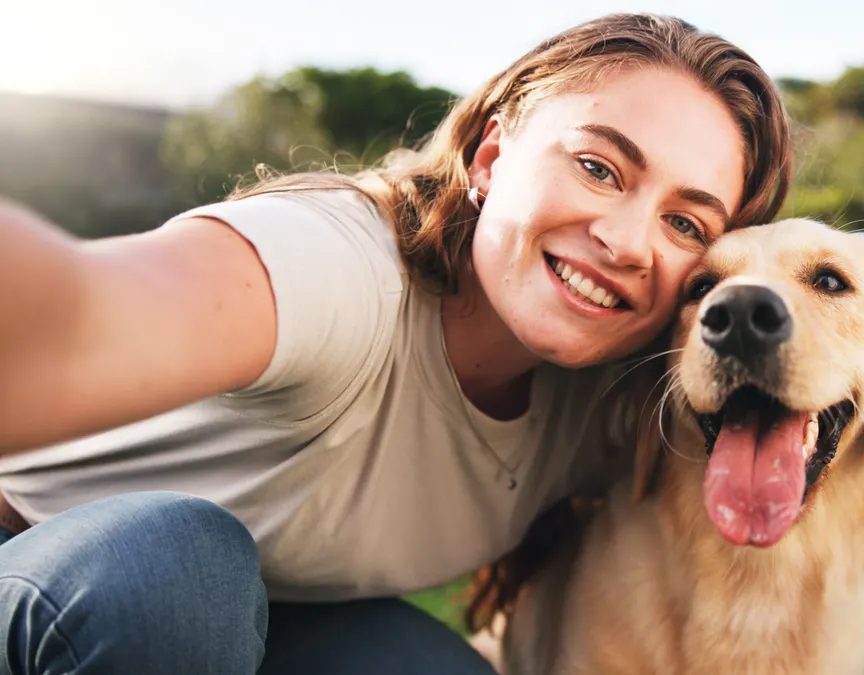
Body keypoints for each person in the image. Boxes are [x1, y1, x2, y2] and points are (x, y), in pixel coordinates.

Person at [0, 12, 792, 675]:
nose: (627, 241)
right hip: (38, 559)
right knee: (170, 571)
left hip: (250, 618)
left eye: (686, 223)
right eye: (597, 167)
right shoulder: (339, 272)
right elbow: (76, 315)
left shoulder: (617, 404)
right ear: (490, 156)